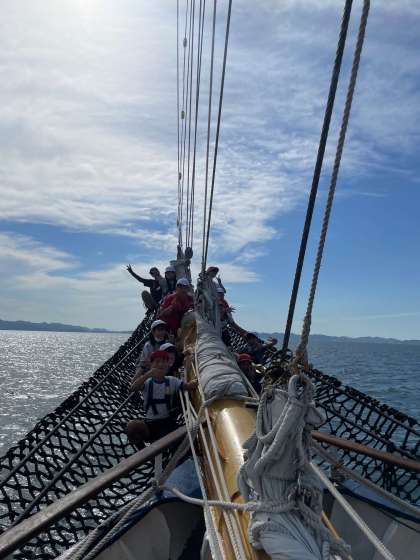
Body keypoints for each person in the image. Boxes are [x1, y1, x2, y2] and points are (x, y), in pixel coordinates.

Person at [126, 351, 197, 449]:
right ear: (151, 365)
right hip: (150, 424)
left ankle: (174, 450)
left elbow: (186, 386)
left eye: (164, 362)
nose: (160, 364)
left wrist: (194, 382)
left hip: (166, 421)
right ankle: (145, 452)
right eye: (157, 362)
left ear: (168, 365)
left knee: (179, 437)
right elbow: (133, 388)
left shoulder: (172, 381)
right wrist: (147, 375)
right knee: (132, 426)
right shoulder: (147, 383)